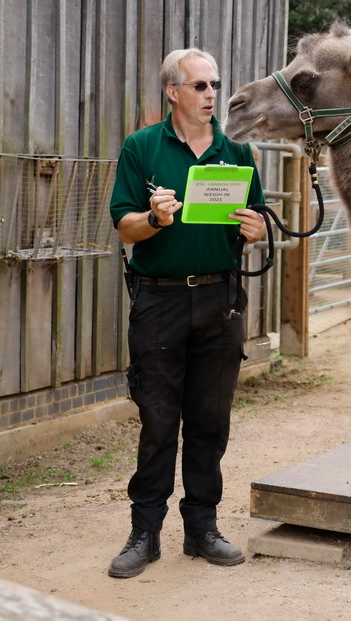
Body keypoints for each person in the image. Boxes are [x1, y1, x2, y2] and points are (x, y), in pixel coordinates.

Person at [107, 48, 267, 578]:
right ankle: (144, 533)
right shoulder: (142, 147)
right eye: (199, 86)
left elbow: (258, 215)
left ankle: (201, 528)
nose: (211, 95)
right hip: (159, 301)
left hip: (220, 301)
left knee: (209, 421)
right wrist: (153, 219)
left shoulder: (236, 150)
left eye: (215, 85)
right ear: (172, 92)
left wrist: (256, 228)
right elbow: (125, 228)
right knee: (158, 421)